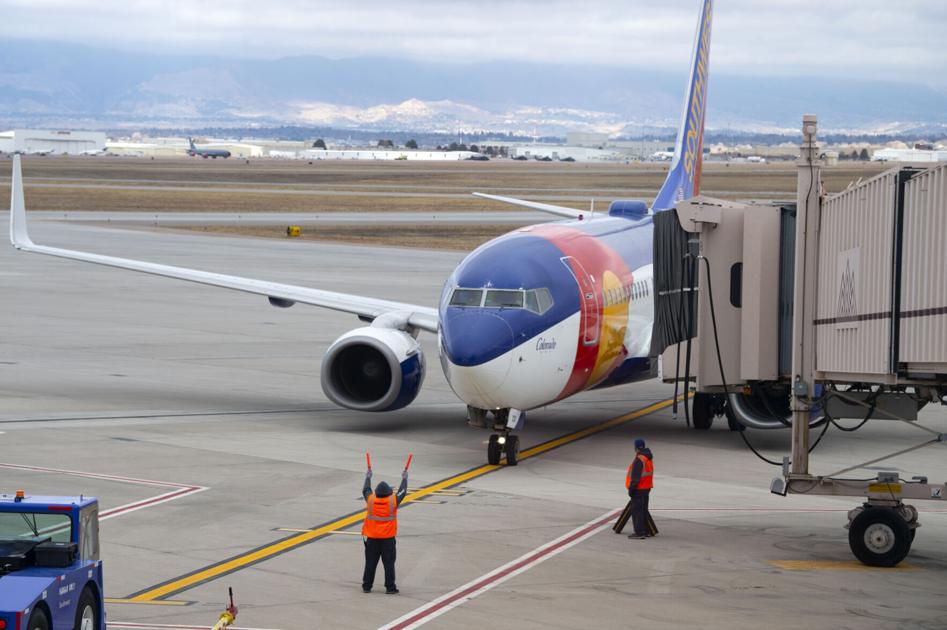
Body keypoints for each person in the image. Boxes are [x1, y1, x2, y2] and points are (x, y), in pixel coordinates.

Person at [362, 464, 408, 594]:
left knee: (370, 563)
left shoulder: (370, 500)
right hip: (387, 540)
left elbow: (365, 489)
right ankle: (390, 587)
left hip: (372, 539)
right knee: (389, 564)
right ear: (388, 493)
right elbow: (403, 491)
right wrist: (404, 478)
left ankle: (367, 586)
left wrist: (368, 476)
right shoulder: (392, 501)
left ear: (376, 493)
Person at [625, 438, 654, 540]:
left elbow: (635, 478)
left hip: (639, 489)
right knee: (643, 510)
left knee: (637, 511)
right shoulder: (648, 458)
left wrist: (631, 490)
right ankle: (645, 531)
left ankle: (639, 532)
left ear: (636, 448)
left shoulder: (639, 460)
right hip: (646, 488)